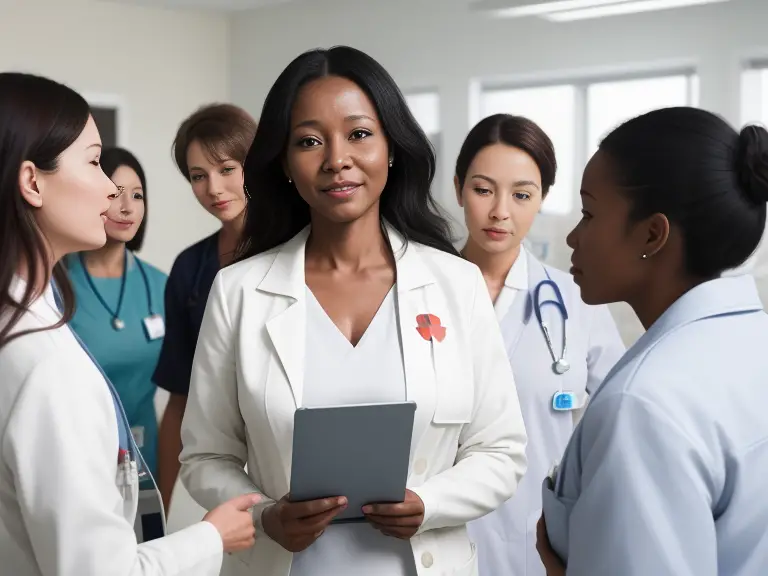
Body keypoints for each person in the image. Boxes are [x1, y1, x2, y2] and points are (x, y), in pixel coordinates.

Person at [179, 46, 529, 576]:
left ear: (392, 147)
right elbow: (205, 457)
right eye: (309, 141)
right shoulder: (239, 291)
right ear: (285, 163)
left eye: (359, 134)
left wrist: (430, 504)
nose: (336, 158)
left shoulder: (455, 283)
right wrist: (268, 515)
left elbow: (500, 450)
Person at [0, 71, 260, 576]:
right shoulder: (47, 368)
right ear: (32, 181)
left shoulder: (28, 326)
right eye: (96, 163)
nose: (112, 192)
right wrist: (211, 536)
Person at [535, 107, 768, 576]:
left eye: (589, 212)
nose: (574, 236)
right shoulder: (752, 342)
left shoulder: (641, 406)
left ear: (652, 233)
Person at [455, 114, 625, 576]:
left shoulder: (577, 301)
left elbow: (620, 423)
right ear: (458, 189)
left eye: (522, 194)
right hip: (434, 539)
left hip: (538, 546)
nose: (500, 212)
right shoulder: (416, 294)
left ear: (543, 199)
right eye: (483, 189)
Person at [153, 103, 257, 510]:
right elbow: (180, 400)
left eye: (227, 169)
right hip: (216, 468)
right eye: (199, 176)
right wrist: (160, 507)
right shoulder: (190, 268)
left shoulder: (300, 252)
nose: (213, 188)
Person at [65, 148, 165, 493]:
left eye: (137, 196)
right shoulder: (55, 284)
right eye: (114, 194)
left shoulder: (160, 285)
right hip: (77, 460)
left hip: (145, 458)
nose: (127, 207)